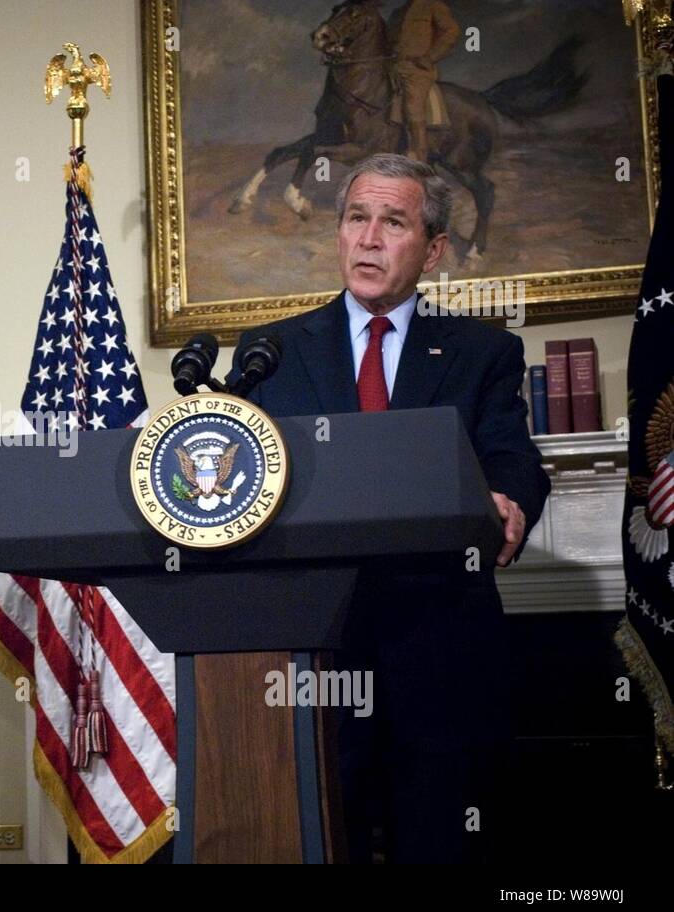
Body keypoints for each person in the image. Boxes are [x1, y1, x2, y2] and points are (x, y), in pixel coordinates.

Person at [227, 153, 550, 862]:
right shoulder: (271, 351)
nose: (369, 238)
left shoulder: (482, 351)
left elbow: (512, 456)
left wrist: (511, 501)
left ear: (433, 250)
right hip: (312, 652)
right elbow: (243, 469)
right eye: (356, 218)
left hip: (437, 646)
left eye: (393, 222)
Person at [389, 0, 460, 161]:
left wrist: (430, 57)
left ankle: (419, 155)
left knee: (412, 106)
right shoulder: (398, 13)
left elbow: (451, 31)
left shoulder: (432, 5)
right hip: (393, 67)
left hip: (417, 69)